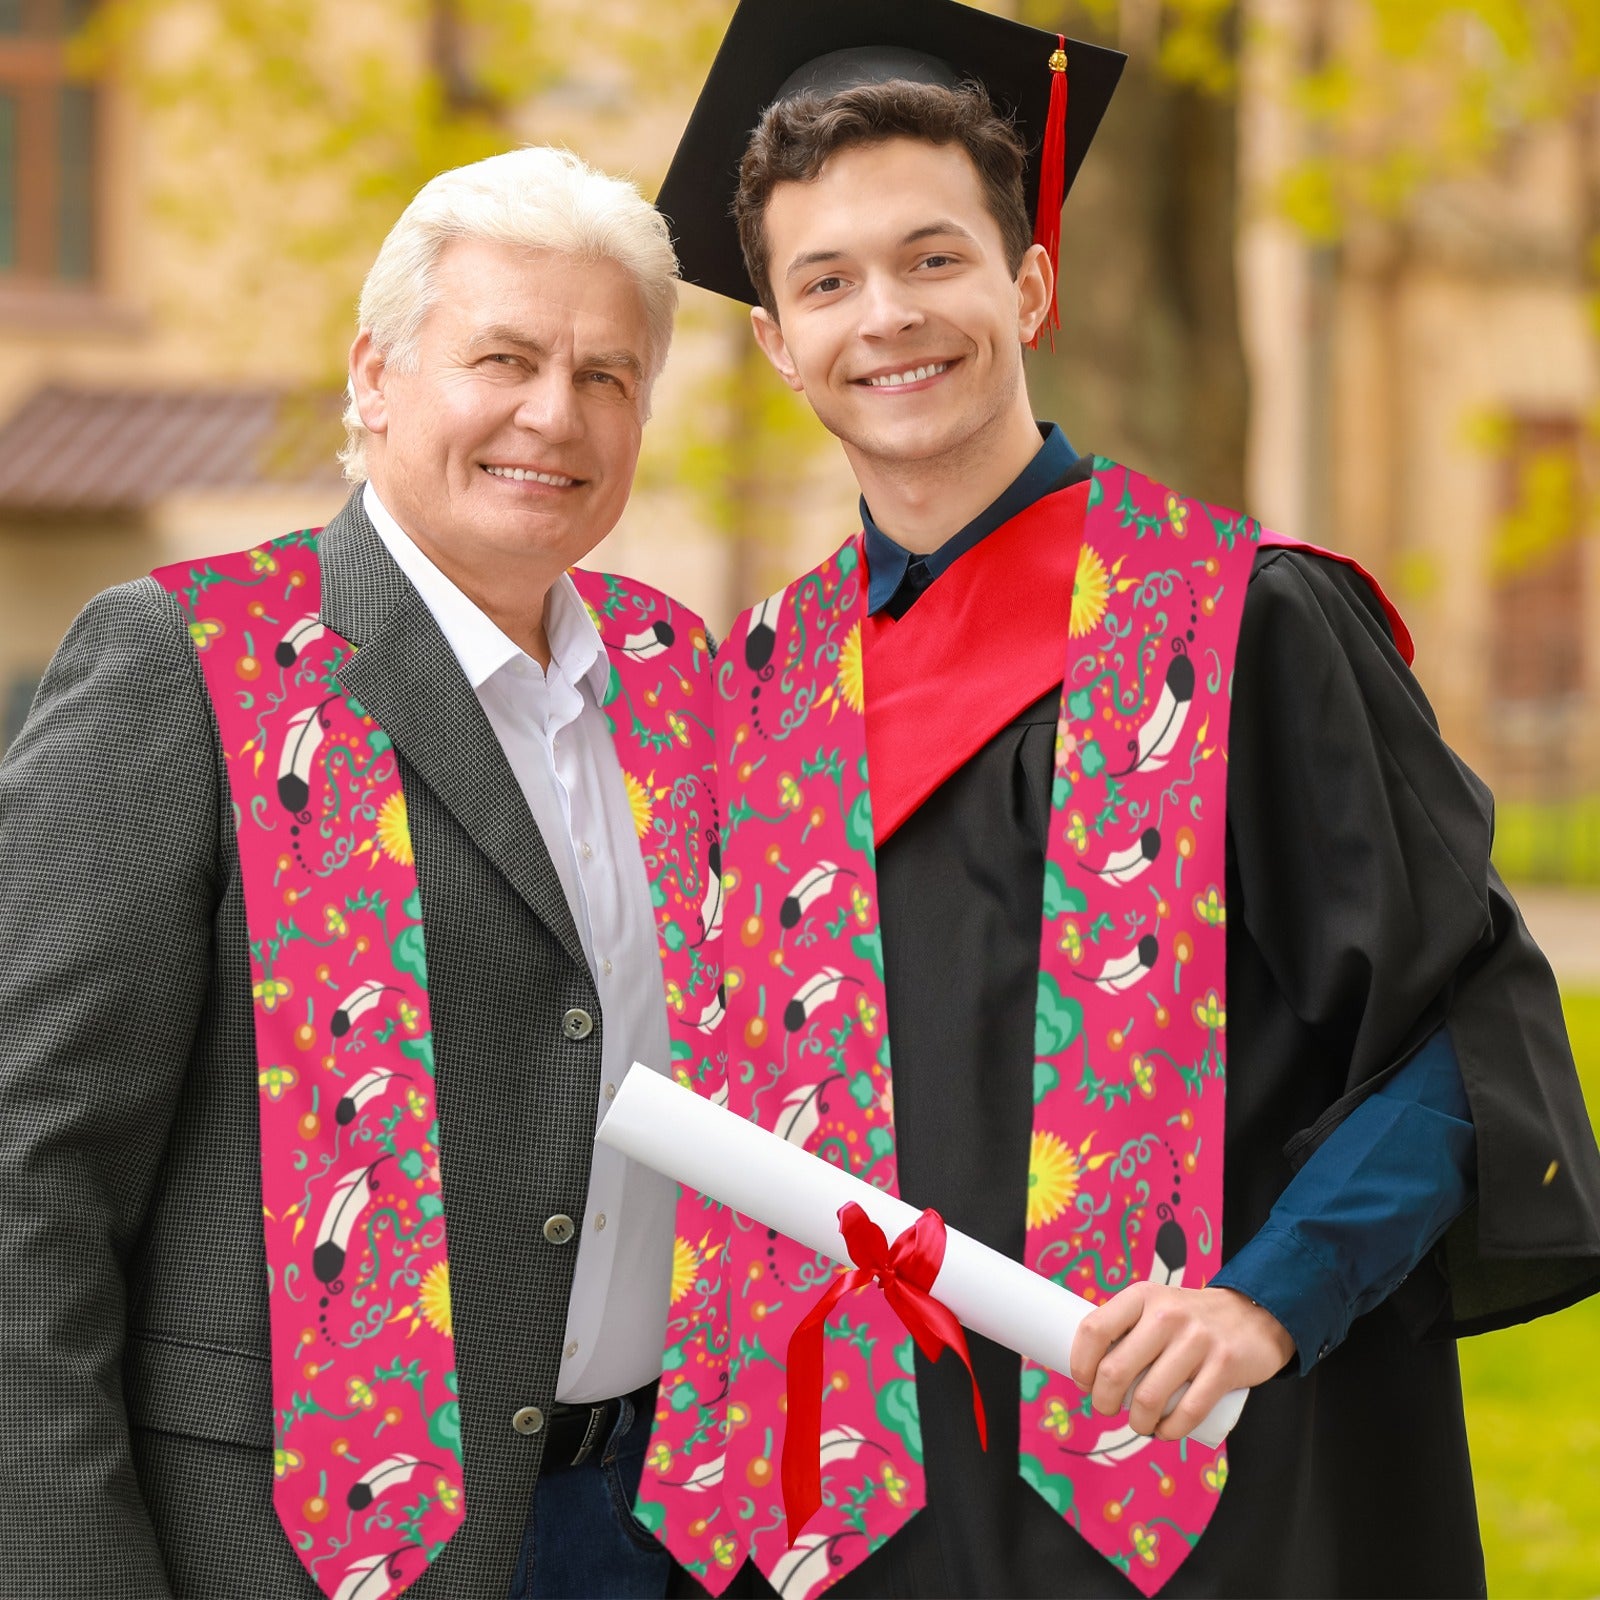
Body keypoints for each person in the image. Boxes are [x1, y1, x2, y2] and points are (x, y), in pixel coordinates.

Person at [633, 3, 1600, 1597]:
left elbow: (1462, 1033)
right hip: (858, 1528)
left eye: (934, 259)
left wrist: (1269, 1299)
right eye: (827, 281)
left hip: (1199, 1495)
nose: (888, 316)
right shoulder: (756, 696)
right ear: (777, 341)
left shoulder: (1243, 626)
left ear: (1029, 282)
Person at [0, 146, 724, 1600]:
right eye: (504, 357)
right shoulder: (188, 666)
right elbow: (30, 1176)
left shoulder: (681, 681)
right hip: (291, 1549)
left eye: (606, 375)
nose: (553, 414)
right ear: (376, 376)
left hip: (652, 1529)